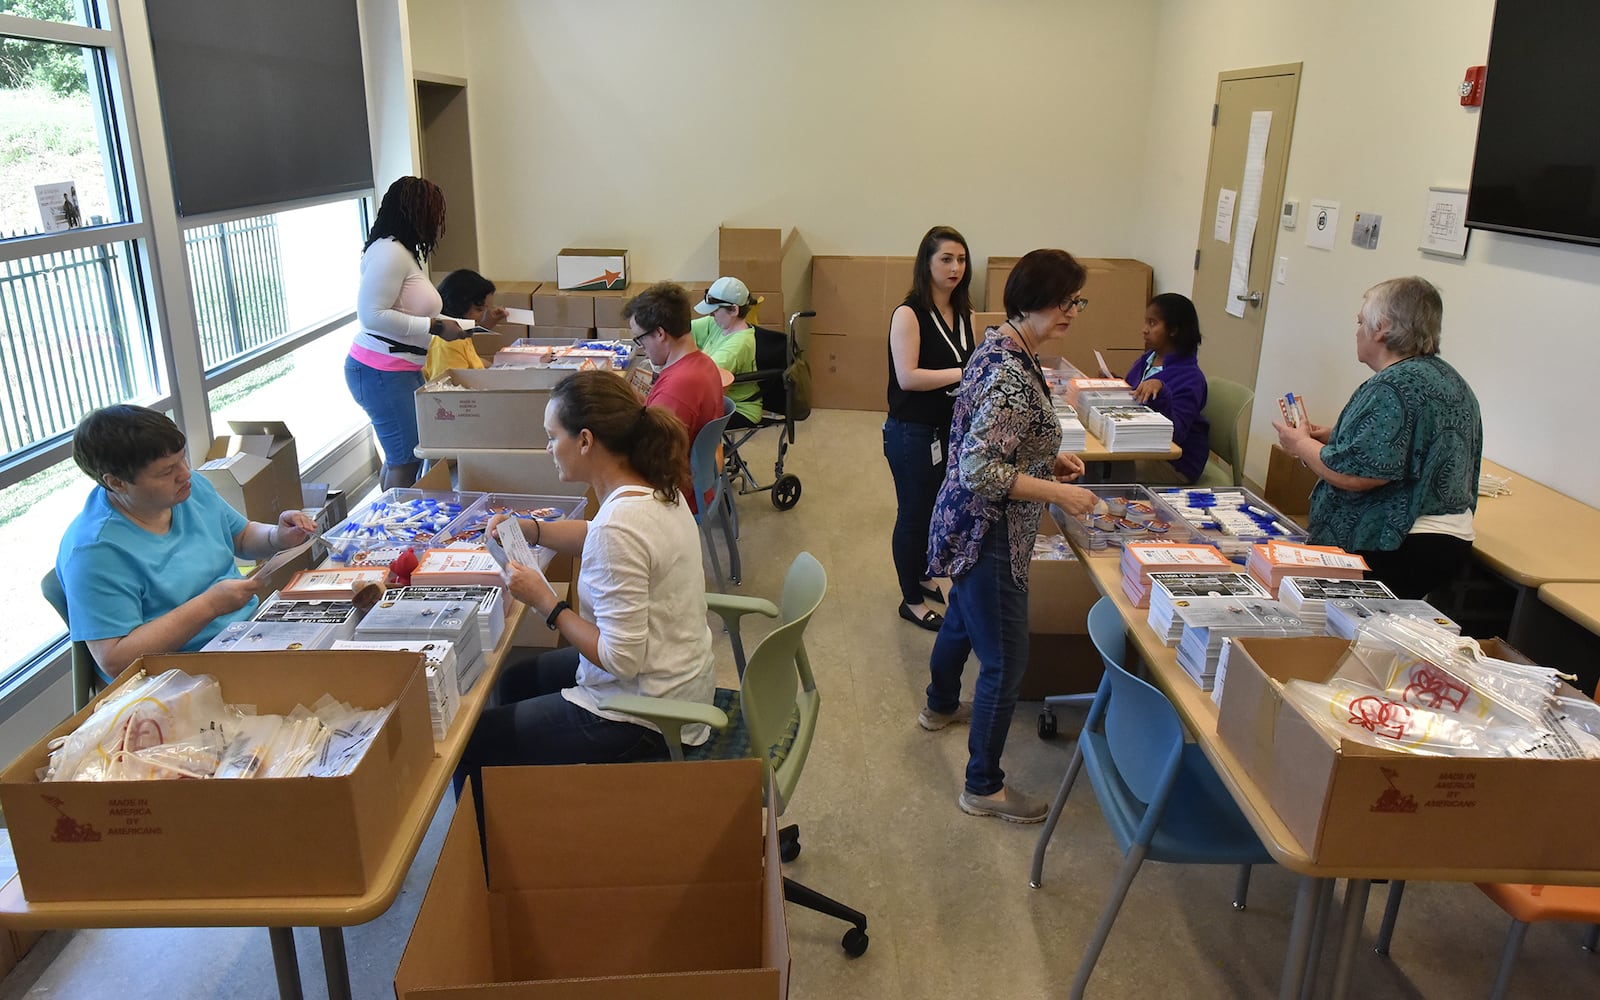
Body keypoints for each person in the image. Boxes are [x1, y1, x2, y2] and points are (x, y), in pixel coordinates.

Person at [456, 371, 715, 788]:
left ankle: (492, 849)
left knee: (474, 743)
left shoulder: (621, 526)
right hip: (676, 678)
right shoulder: (652, 490)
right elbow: (597, 533)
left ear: (586, 440)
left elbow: (620, 659)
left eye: (552, 436)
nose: (548, 448)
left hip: (645, 714)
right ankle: (534, 803)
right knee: (513, 680)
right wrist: (534, 530)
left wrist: (547, 602)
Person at [922, 249, 1099, 823]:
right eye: (1066, 301)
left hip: (969, 522)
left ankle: (939, 706)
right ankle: (984, 786)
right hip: (989, 532)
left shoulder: (1001, 343)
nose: (1073, 311)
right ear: (1037, 300)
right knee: (1005, 661)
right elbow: (979, 466)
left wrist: (1049, 459)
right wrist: (1057, 493)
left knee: (961, 620)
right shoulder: (1011, 373)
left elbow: (995, 441)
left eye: (1076, 300)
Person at [55, 405, 317, 680]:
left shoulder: (188, 491)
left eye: (183, 459)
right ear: (117, 483)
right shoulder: (94, 552)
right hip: (177, 674)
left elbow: (240, 536)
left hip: (244, 636)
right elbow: (116, 659)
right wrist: (210, 606)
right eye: (166, 471)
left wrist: (277, 536)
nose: (185, 473)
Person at [1273, 276, 1482, 600]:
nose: (1356, 331)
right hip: (1445, 541)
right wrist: (1337, 436)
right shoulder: (1447, 377)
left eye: (1360, 322)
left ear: (1381, 327)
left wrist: (1300, 445)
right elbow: (1408, 448)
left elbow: (1358, 474)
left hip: (1397, 544)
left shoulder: (1393, 386)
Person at [345, 176, 472, 489]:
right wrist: (435, 326)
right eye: (433, 213)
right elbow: (371, 316)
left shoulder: (399, 251)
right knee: (406, 459)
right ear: (413, 212)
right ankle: (390, 534)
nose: (437, 222)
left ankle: (388, 527)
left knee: (401, 456)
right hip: (380, 372)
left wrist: (464, 326)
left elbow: (414, 312)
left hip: (397, 369)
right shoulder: (390, 253)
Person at [885, 225, 977, 632]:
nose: (955, 267)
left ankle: (924, 574)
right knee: (913, 514)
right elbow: (907, 377)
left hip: (949, 431)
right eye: (946, 259)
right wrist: (964, 372)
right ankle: (910, 598)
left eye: (961, 259)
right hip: (912, 431)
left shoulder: (966, 313)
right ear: (927, 263)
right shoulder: (909, 313)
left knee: (934, 512)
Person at [625, 281, 725, 514]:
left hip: (676, 497)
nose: (641, 348)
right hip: (698, 480)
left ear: (660, 333)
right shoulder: (703, 363)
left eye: (640, 339)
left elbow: (650, 461)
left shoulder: (678, 387)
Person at [1125, 292, 1210, 484]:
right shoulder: (1147, 359)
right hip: (1143, 442)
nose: (1144, 330)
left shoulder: (1191, 378)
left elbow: (1176, 434)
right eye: (1145, 322)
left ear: (1173, 330)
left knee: (1109, 466)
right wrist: (1114, 385)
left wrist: (1162, 392)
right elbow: (1133, 395)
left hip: (1176, 463)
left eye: (1152, 323)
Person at [690, 276, 762, 427]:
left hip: (737, 407)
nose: (710, 315)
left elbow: (703, 379)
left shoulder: (737, 346)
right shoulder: (719, 324)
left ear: (734, 310)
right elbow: (683, 330)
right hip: (718, 401)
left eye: (715, 311)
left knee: (680, 423)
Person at [424, 269, 509, 381]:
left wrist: (501, 368)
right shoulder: (448, 343)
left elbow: (472, 361)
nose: (483, 316)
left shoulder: (458, 334)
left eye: (486, 309)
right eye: (479, 309)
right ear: (458, 305)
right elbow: (451, 389)